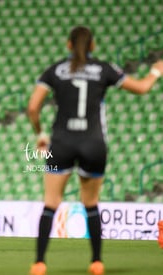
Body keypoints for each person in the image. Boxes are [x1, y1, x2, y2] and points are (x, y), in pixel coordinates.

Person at [27, 26, 163, 275]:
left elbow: (33, 107)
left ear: (68, 45)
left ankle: (39, 263)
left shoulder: (56, 69)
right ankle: (97, 262)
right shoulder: (104, 69)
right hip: (93, 143)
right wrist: (156, 70)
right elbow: (142, 88)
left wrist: (40, 134)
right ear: (93, 46)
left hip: (62, 142)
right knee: (90, 203)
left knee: (51, 204)